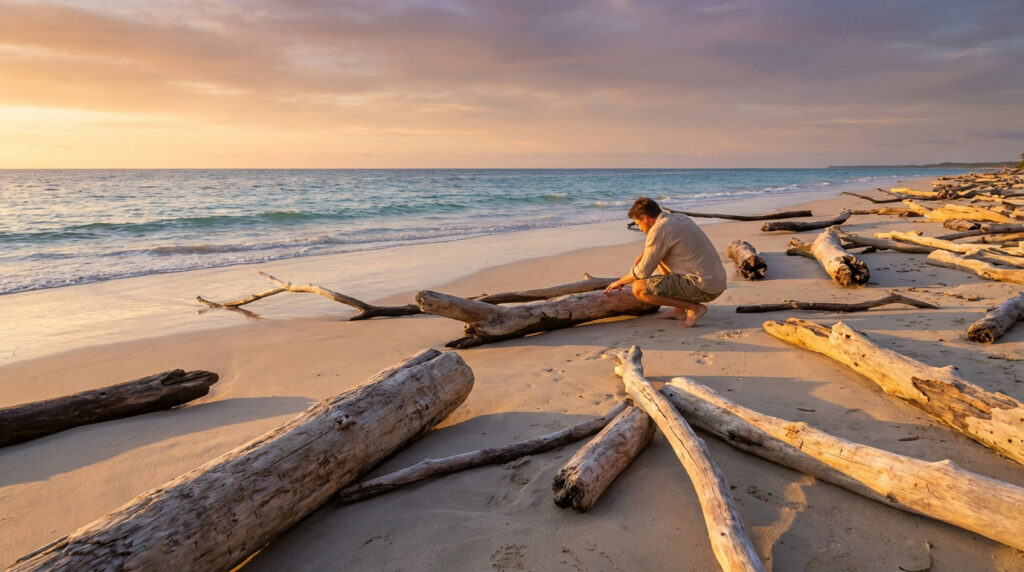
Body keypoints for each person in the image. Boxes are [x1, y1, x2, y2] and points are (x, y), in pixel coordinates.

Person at [604, 196, 727, 327]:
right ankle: (679, 311)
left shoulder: (659, 229)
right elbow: (665, 243)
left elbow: (642, 272)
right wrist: (645, 252)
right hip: (717, 282)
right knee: (660, 258)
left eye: (638, 223)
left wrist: (620, 282)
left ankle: (694, 308)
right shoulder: (678, 217)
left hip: (703, 286)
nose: (639, 228)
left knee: (639, 288)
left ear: (645, 218)